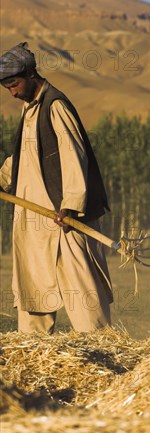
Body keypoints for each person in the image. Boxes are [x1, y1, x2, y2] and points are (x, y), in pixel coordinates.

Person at [0, 42, 113, 332]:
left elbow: (74, 153)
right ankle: (32, 354)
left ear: (30, 74)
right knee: (33, 293)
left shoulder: (55, 105)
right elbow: (22, 159)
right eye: (6, 87)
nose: (12, 92)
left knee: (84, 297)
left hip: (64, 220)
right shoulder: (29, 110)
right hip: (33, 223)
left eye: (14, 84)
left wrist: (72, 205)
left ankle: (101, 354)